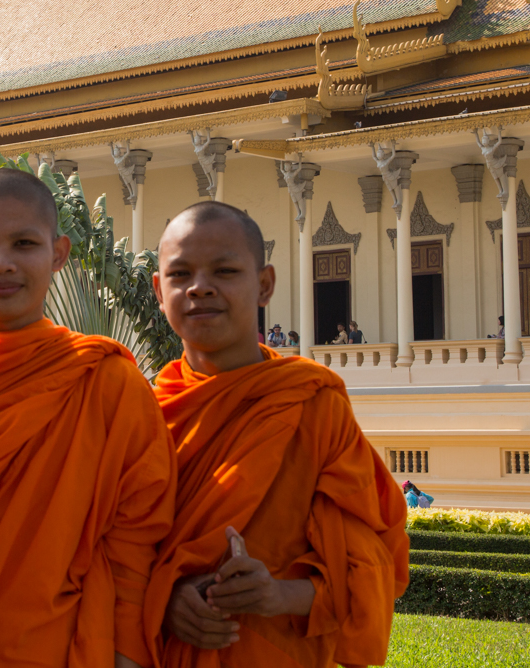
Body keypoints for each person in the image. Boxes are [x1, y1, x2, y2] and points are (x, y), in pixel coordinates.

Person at [0, 168, 175, 668]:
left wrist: (125, 653)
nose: (2, 264)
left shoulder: (106, 383)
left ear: (58, 254)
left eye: (24, 243)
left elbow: (137, 535)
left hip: (64, 647)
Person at [144, 202, 409, 667]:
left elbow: (373, 563)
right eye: (180, 274)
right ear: (158, 292)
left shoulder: (313, 404)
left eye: (224, 271)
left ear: (264, 285)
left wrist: (279, 594)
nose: (200, 288)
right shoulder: (145, 412)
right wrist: (166, 598)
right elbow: (111, 558)